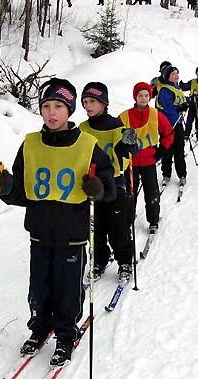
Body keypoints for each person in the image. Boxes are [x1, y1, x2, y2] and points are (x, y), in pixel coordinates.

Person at [0, 78, 116, 366]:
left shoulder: (88, 145)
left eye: (58, 105)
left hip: (72, 233)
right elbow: (24, 191)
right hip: (40, 231)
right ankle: (40, 327)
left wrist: (99, 188)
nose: (51, 112)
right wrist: (6, 186)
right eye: (46, 106)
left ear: (70, 109)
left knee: (67, 289)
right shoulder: (31, 144)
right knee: (39, 287)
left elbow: (110, 187)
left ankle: (65, 335)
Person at [79, 82, 136, 282]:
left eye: (93, 101)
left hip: (114, 182)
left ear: (104, 103)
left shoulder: (116, 125)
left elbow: (130, 150)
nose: (88, 105)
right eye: (85, 101)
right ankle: (99, 261)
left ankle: (125, 261)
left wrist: (128, 145)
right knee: (96, 228)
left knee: (118, 228)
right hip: (92, 184)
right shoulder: (82, 128)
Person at [118, 82, 173, 233]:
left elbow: (168, 133)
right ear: (135, 97)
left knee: (151, 192)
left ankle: (153, 220)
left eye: (146, 95)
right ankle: (128, 219)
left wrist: (162, 150)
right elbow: (116, 137)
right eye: (140, 95)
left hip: (149, 160)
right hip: (131, 163)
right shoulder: (124, 116)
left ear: (150, 96)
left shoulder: (156, 115)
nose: (143, 98)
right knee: (130, 193)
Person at [157, 65, 188, 186]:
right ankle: (166, 174)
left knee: (179, 149)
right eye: (173, 74)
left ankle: (182, 174)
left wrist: (186, 102)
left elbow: (180, 101)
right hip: (168, 125)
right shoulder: (165, 90)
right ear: (167, 76)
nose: (176, 76)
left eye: (177, 73)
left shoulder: (176, 87)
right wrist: (179, 107)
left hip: (178, 123)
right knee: (167, 150)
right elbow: (167, 106)